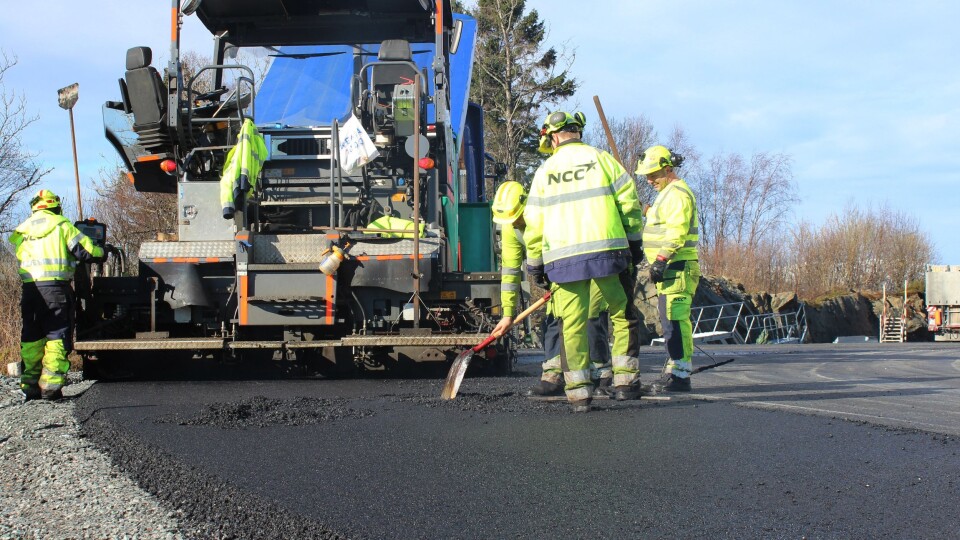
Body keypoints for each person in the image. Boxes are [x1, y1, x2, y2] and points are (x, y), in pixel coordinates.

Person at [523, 111, 645, 412]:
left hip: (563, 261)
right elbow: (629, 204)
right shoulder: (602, 160)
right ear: (578, 131)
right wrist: (634, 242)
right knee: (621, 314)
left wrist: (535, 265)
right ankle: (625, 384)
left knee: (572, 324)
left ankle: (578, 394)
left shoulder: (544, 173)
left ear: (552, 137)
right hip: (608, 253)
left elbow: (534, 225)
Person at [489, 181, 613, 397]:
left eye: (517, 217)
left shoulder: (551, 214)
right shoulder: (510, 228)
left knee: (591, 317)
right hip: (553, 277)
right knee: (554, 320)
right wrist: (508, 314)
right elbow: (510, 273)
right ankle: (553, 376)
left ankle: (600, 374)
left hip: (586, 267)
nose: (515, 222)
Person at [10, 189, 107, 400]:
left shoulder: (23, 230)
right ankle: (50, 388)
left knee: (32, 338)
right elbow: (88, 252)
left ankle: (30, 386)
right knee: (57, 336)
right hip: (55, 290)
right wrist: (103, 251)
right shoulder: (62, 225)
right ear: (55, 207)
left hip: (30, 290)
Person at [636, 145, 701, 392]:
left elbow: (676, 229)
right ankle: (676, 370)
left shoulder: (677, 193)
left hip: (677, 266)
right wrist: (645, 209)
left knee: (675, 319)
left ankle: (681, 376)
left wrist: (661, 259)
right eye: (647, 175)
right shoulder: (667, 194)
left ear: (667, 168)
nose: (649, 179)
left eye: (653, 174)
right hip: (671, 268)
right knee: (670, 320)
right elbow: (661, 219)